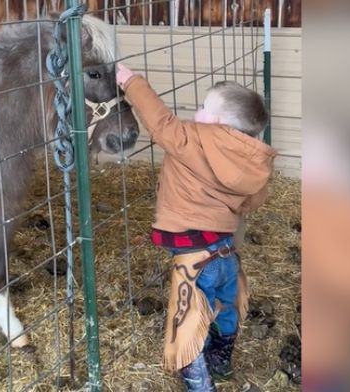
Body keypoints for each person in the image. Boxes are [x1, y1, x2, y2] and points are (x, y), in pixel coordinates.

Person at [116, 64, 276, 391]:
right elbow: (252, 200)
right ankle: (221, 363)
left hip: (193, 258)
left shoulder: (193, 140)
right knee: (226, 307)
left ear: (215, 121)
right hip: (226, 254)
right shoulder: (253, 160)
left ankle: (199, 384)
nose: (197, 110)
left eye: (203, 107)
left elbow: (159, 121)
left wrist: (129, 81)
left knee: (188, 320)